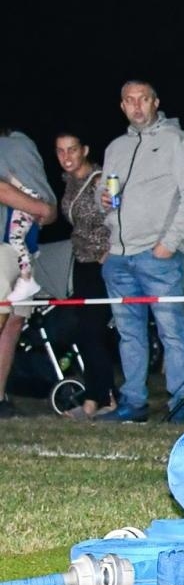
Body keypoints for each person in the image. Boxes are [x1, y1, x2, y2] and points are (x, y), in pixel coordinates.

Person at [96, 82, 184, 423]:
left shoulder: (177, 141)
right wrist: (104, 206)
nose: (137, 106)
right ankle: (133, 402)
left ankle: (181, 403)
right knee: (129, 333)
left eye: (143, 99)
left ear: (156, 102)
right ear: (122, 106)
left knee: (172, 331)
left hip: (158, 257)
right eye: (130, 100)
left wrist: (168, 244)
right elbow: (106, 193)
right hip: (118, 257)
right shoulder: (115, 147)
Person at [53, 132, 118, 418]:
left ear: (85, 150)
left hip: (102, 263)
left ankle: (99, 399)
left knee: (92, 330)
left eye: (72, 150)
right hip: (82, 262)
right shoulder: (69, 182)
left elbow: (116, 214)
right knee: (86, 331)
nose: (66, 156)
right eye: (60, 151)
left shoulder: (99, 180)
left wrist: (110, 253)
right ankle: (101, 395)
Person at [0, 130, 58, 419]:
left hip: (28, 252)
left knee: (12, 326)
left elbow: (49, 207)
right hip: (1, 249)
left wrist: (46, 210)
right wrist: (40, 207)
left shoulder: (20, 143)